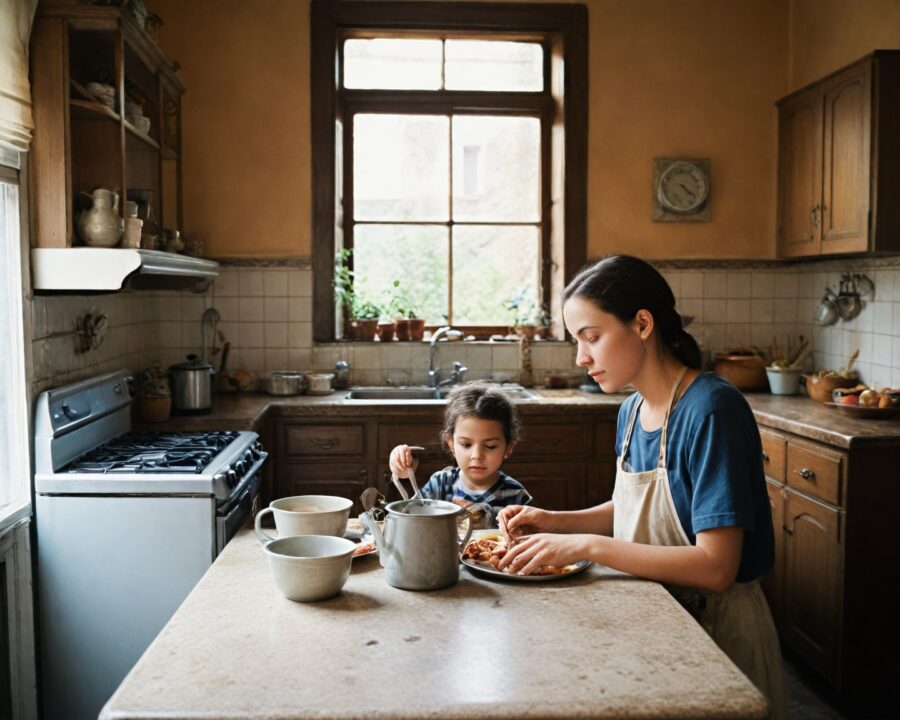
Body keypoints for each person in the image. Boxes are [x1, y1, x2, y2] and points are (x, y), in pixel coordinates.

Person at [497, 255, 786, 720]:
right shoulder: (631, 412)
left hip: (716, 634)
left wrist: (585, 546)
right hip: (656, 617)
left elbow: (716, 568)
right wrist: (553, 522)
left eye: (592, 337)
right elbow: (635, 508)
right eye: (577, 341)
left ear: (643, 324)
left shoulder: (713, 411)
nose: (580, 357)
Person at [389, 383, 532, 528]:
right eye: (466, 445)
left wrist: (482, 516)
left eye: (490, 446)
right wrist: (402, 472)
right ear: (451, 443)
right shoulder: (441, 484)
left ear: (508, 448)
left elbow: (525, 541)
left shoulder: (516, 495)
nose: (476, 455)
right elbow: (410, 517)